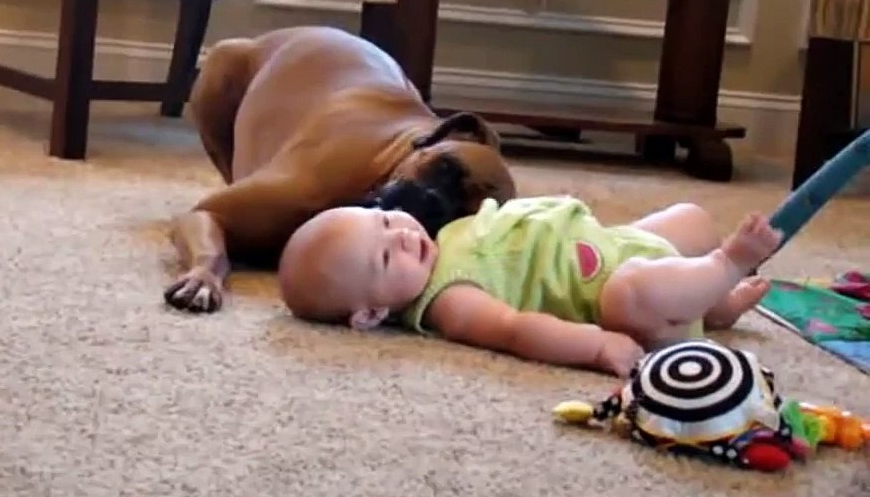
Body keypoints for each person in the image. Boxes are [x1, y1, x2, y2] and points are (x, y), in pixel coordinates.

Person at [277, 195, 782, 377]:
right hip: (608, 289)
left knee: (688, 218)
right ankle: (724, 267)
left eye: (387, 218)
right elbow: (514, 328)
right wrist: (597, 345)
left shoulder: (443, 236)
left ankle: (713, 306)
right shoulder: (449, 300)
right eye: (386, 256)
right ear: (370, 315)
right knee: (634, 294)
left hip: (613, 244)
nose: (405, 235)